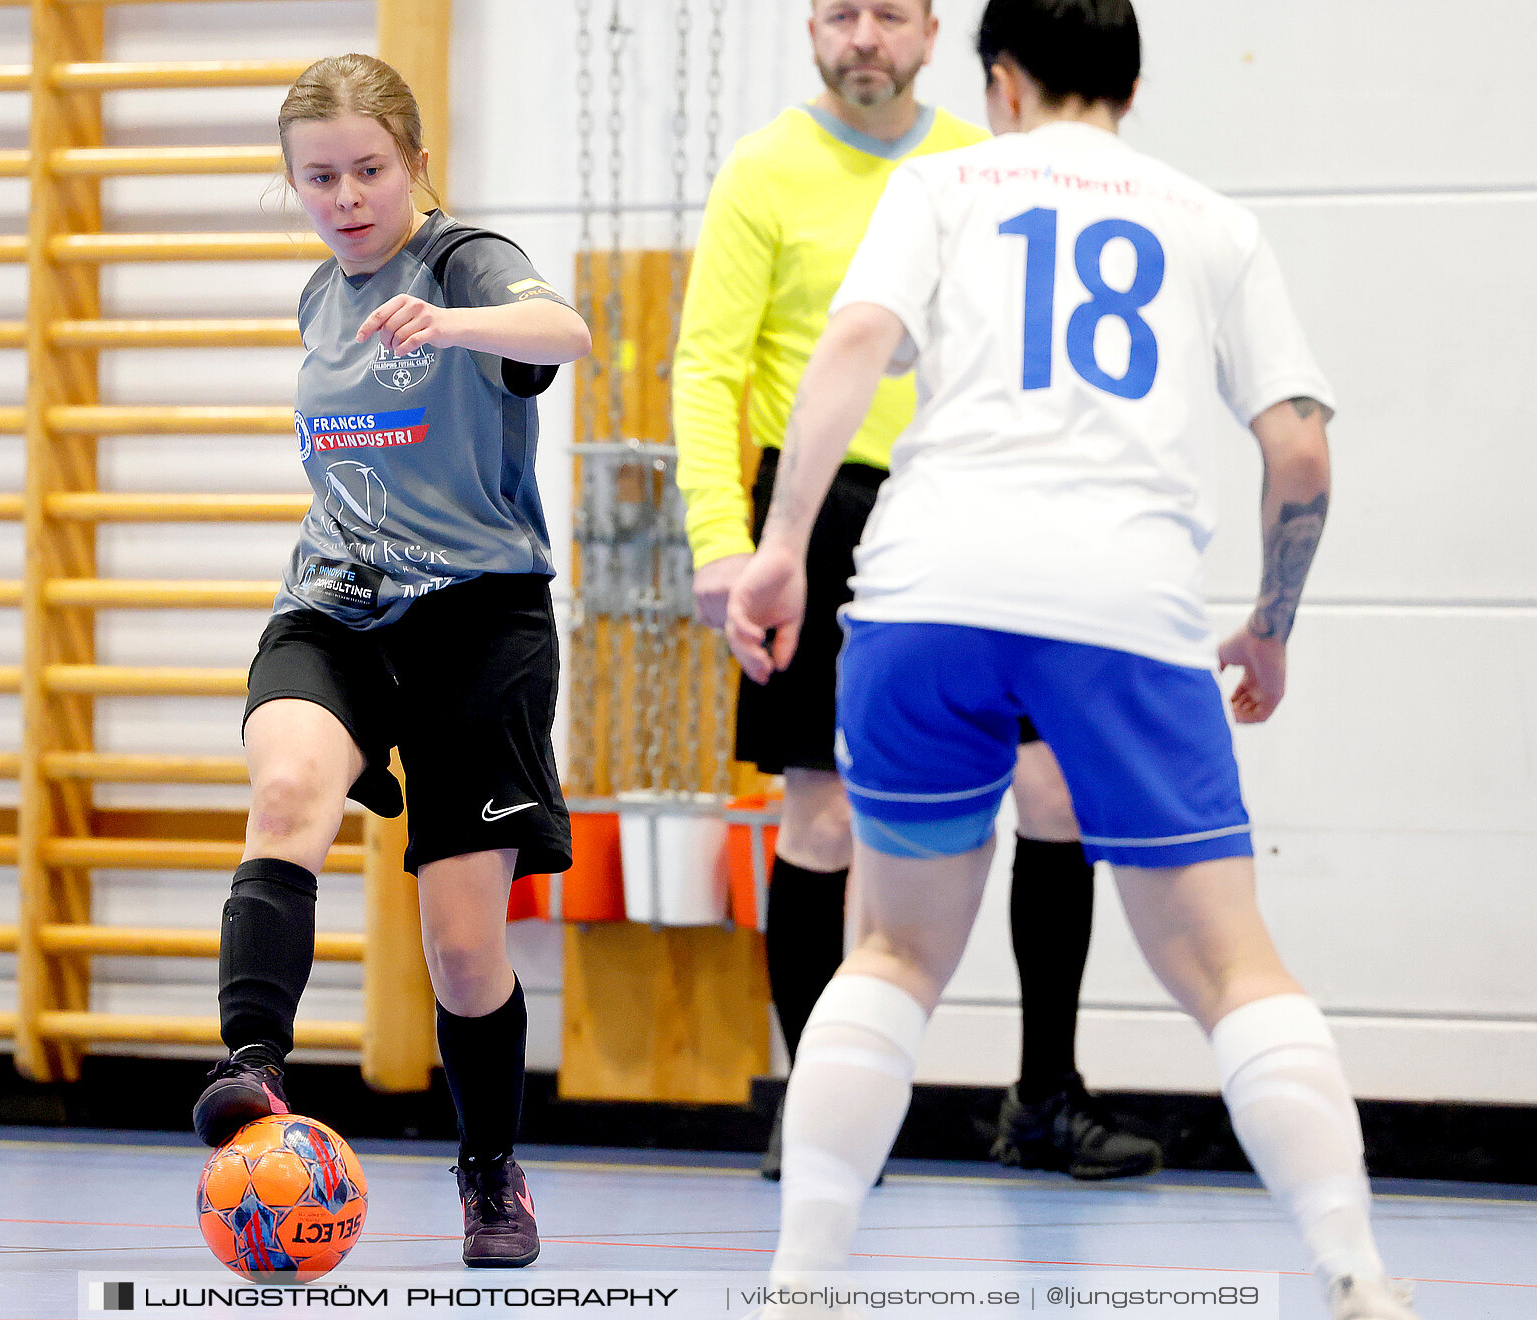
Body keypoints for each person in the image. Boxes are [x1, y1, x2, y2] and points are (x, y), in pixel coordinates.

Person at [725, 2, 1421, 1316]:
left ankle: (801, 1282)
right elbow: (1300, 455)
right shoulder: (1211, 221)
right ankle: (1356, 1270)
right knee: (1231, 970)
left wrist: (780, 550)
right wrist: (1271, 624)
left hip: (928, 589)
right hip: (1123, 608)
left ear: (1000, 80)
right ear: (1134, 83)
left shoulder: (936, 186)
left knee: (891, 958)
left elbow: (852, 348)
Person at [673, 0, 1157, 1181]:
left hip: (974, 506)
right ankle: (820, 1102)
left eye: (889, 12)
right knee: (824, 816)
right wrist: (722, 540)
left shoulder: (980, 167)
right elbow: (709, 364)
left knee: (1055, 796)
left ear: (936, 35)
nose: (864, 37)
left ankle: (1045, 1095)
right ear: (810, 31)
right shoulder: (765, 170)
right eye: (841, 13)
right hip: (820, 514)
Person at [188, 53, 592, 1272]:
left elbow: (560, 329)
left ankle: (488, 1173)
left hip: (478, 623)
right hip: (338, 607)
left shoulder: (462, 261)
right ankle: (253, 1066)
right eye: (320, 177)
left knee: (465, 949)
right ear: (293, 182)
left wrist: (456, 321)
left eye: (370, 170)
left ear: (414, 162)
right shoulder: (319, 294)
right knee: (285, 792)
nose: (348, 195)